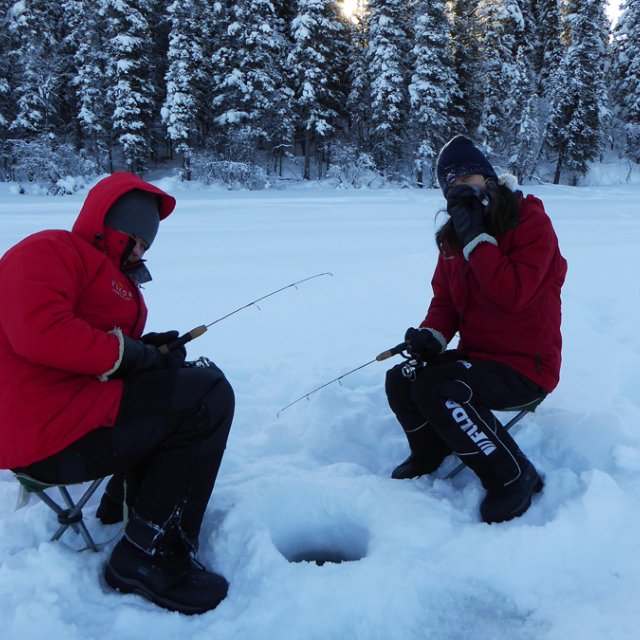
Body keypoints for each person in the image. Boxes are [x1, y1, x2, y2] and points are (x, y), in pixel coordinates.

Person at [0, 172, 235, 614]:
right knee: (208, 396)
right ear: (109, 224)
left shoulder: (111, 277)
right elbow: (40, 332)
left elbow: (102, 350)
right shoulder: (50, 249)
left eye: (147, 246)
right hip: (46, 431)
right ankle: (148, 554)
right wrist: (132, 355)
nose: (141, 251)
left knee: (185, 382)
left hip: (74, 419)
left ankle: (122, 510)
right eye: (136, 239)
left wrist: (150, 351)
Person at [385, 134, 567, 524]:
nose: (463, 185)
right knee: (402, 378)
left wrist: (477, 240)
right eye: (453, 182)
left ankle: (513, 477)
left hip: (525, 367)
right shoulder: (455, 236)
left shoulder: (530, 221)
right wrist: (430, 336)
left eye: (470, 176)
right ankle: (431, 451)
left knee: (441, 388)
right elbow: (445, 302)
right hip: (479, 358)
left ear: (488, 178)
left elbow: (512, 295)